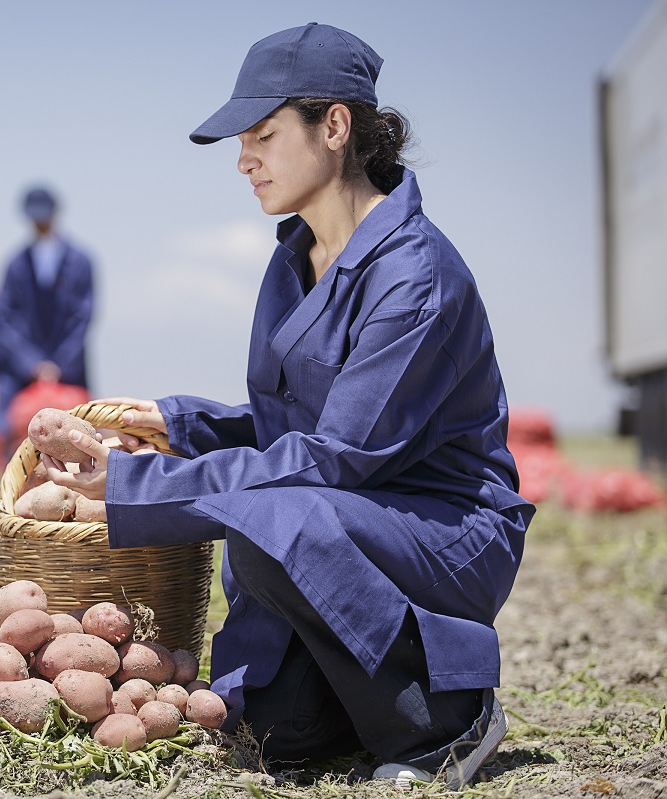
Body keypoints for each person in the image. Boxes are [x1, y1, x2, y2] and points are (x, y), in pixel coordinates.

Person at [42, 23, 532, 790]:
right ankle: (357, 700)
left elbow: (337, 456)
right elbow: (288, 428)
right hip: (344, 520)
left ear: (334, 127)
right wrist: (178, 424)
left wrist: (134, 485)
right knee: (276, 730)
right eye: (244, 139)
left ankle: (448, 715)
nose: (245, 158)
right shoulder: (293, 257)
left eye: (265, 134)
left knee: (267, 515)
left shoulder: (416, 277)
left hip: (443, 530)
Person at [0, 186, 95, 442]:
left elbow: (83, 316)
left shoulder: (80, 261)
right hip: (24, 370)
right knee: (17, 434)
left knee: (78, 432)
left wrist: (59, 364)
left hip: (69, 368)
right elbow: (6, 318)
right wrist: (32, 362)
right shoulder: (16, 264)